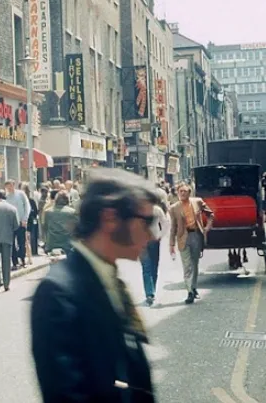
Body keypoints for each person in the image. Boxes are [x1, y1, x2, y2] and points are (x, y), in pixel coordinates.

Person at [31, 168, 166, 403]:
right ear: (110, 218)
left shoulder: (109, 277)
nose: (152, 235)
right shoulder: (58, 293)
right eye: (146, 222)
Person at [169, 183, 214, 304]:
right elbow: (173, 227)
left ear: (189, 193)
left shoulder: (197, 202)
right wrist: (171, 244)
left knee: (194, 264)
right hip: (182, 237)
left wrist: (207, 228)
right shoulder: (174, 208)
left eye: (185, 191)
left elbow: (211, 214)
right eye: (180, 191)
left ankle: (193, 287)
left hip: (196, 235)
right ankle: (189, 291)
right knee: (187, 266)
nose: (182, 193)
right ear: (177, 193)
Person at [140, 203, 167, 306]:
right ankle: (149, 294)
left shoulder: (156, 209)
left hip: (154, 241)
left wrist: (160, 235)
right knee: (146, 267)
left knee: (154, 266)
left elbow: (165, 222)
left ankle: (152, 289)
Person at [4, 180, 30, 270]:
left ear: (13, 185)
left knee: (21, 242)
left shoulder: (21, 194)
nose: (9, 188)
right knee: (12, 244)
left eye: (10, 186)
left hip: (21, 222)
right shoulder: (6, 197)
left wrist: (25, 219)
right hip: (11, 223)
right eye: (7, 187)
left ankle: (23, 260)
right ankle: (14, 262)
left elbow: (27, 206)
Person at [42, 191, 77, 256]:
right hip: (67, 244)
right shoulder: (72, 212)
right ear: (67, 200)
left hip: (51, 244)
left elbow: (45, 227)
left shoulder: (48, 212)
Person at [22, 183, 39, 260]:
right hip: (23, 221)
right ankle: (28, 254)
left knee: (29, 238)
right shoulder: (24, 201)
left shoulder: (31, 201)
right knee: (26, 238)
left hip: (29, 221)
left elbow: (35, 211)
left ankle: (31, 253)